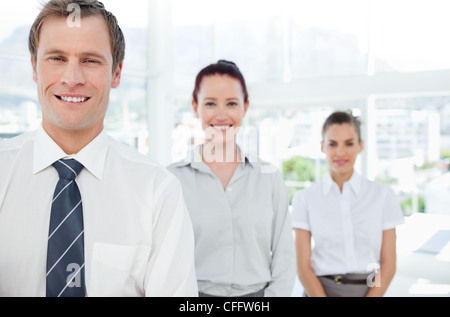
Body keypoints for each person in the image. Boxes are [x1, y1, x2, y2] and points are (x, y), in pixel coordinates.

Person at [0, 0, 197, 297]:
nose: (72, 78)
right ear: (34, 68)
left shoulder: (158, 191)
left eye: (91, 60)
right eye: (56, 58)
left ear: (116, 73)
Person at [167, 60, 296, 297]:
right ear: (195, 107)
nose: (221, 114)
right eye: (210, 104)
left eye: (231, 104)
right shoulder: (172, 180)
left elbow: (285, 258)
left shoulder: (269, 178)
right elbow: (164, 260)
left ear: (245, 107)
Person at [291, 110, 404, 297]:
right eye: (332, 144)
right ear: (322, 147)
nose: (340, 152)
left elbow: (389, 265)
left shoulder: (383, 196)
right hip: (319, 292)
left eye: (349, 143)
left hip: (369, 291)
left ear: (360, 146)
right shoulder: (305, 199)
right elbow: (303, 267)